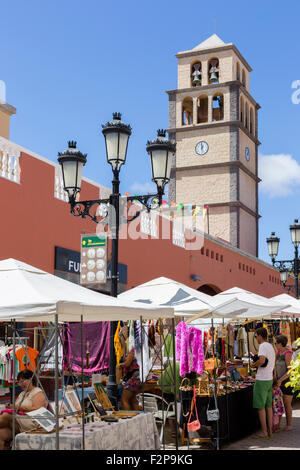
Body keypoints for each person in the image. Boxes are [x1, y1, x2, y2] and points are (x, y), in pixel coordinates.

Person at [0, 369, 48, 450]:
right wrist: (12, 407)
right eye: (19, 382)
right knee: (1, 434)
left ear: (30, 379)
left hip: (33, 422)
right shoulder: (22, 394)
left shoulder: (38, 392)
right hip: (19, 422)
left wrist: (18, 407)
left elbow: (38, 410)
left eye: (22, 381)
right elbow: (16, 407)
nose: (20, 384)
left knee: (6, 415)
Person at [251, 327, 275, 439]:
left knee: (261, 407)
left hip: (262, 379)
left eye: (256, 336)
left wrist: (253, 365)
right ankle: (270, 430)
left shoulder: (263, 346)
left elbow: (262, 360)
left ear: (260, 335)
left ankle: (264, 432)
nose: (256, 339)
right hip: (269, 378)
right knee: (268, 406)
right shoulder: (270, 345)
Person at [274, 334, 293, 431]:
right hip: (278, 382)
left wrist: (280, 380)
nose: (274, 344)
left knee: (287, 403)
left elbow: (290, 371)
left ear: (280, 344)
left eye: (275, 343)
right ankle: (278, 425)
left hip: (287, 382)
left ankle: (289, 424)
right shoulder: (278, 353)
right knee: (279, 404)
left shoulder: (288, 353)